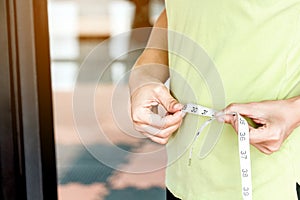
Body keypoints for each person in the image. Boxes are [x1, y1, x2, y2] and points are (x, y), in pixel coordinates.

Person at [129, 1, 300, 199]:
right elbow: (178, 14)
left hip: (272, 179)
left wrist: (295, 111)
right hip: (185, 178)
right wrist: (144, 76)